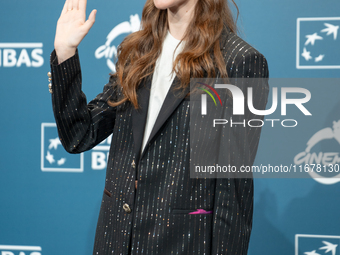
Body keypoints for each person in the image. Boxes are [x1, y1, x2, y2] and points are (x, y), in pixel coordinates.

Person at [49, 0, 269, 254]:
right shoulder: (136, 51)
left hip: (180, 243)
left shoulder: (239, 62)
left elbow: (232, 192)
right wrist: (65, 52)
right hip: (116, 242)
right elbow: (79, 135)